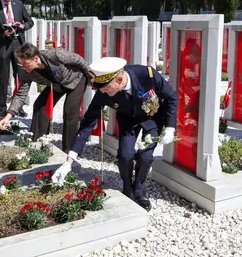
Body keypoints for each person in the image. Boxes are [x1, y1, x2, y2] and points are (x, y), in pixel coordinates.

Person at [51, 57, 177, 211]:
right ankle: (127, 187)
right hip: (127, 120)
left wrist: (170, 127)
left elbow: (171, 97)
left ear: (119, 79)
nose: (103, 92)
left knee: (145, 157)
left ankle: (138, 189)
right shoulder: (104, 92)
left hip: (152, 116)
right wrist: (68, 162)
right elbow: (88, 123)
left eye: (105, 88)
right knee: (125, 156)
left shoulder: (147, 74)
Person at [0, 42, 91, 152]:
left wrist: (90, 78)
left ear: (36, 59)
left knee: (69, 111)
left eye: (26, 65)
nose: (23, 68)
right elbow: (21, 94)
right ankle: (38, 144)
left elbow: (79, 60)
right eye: (21, 65)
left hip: (76, 79)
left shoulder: (56, 55)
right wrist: (8, 116)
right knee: (40, 106)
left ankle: (69, 152)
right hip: (56, 83)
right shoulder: (25, 71)